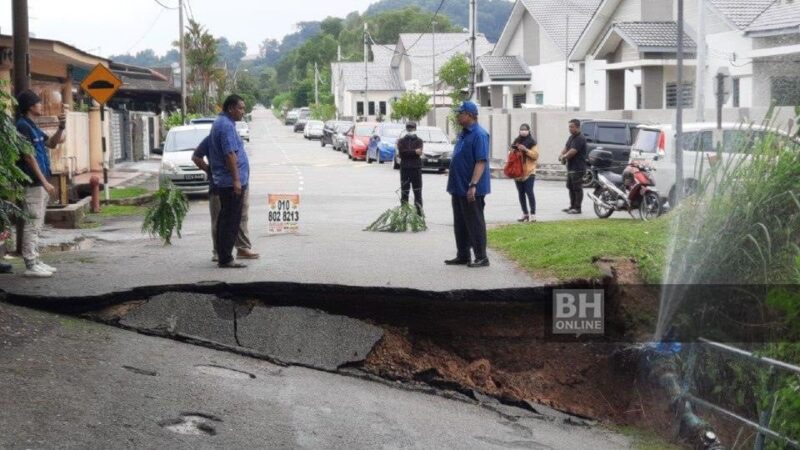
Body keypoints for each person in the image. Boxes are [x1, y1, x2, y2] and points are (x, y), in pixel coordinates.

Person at [15, 90, 66, 278]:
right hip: (33, 183)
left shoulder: (33, 126)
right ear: (30, 106)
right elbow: (28, 157)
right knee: (32, 223)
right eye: (38, 103)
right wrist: (44, 182)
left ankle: (35, 260)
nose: (41, 105)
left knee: (38, 223)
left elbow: (52, 144)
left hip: (40, 182)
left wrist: (61, 127)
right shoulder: (22, 126)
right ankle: (30, 264)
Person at [192, 136, 259, 263]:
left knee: (242, 216)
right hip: (220, 185)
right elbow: (196, 157)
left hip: (241, 184)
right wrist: (209, 170)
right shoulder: (211, 140)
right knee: (219, 219)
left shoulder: (235, 139)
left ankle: (242, 248)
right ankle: (218, 251)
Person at [445, 101, 491, 268]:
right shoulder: (463, 133)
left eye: (460, 113)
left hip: (471, 188)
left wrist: (473, 185)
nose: (457, 116)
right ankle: (463, 255)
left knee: (474, 222)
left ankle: (481, 257)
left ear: (470, 115)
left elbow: (481, 161)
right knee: (460, 222)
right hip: (458, 186)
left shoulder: (479, 134)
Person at [208, 94, 250, 269]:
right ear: (231, 108)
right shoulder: (225, 126)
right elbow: (230, 154)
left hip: (226, 181)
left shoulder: (223, 123)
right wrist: (236, 180)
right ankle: (225, 258)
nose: (243, 111)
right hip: (229, 182)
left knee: (227, 219)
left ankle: (223, 255)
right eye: (240, 108)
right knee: (230, 221)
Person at [510, 124, 539, 222]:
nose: (523, 131)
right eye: (521, 129)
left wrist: (525, 150)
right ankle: (525, 213)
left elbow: (535, 156)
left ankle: (533, 214)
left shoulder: (532, 142)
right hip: (518, 172)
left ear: (529, 131)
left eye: (525, 129)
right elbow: (510, 153)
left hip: (529, 171)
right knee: (521, 193)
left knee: (529, 192)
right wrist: (514, 150)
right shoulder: (516, 141)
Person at [559, 119, 588, 214]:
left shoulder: (580, 138)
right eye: (569, 126)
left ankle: (577, 208)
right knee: (570, 186)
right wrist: (561, 155)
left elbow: (572, 151)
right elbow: (566, 148)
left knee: (577, 188)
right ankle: (572, 206)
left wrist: (564, 157)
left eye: (572, 127)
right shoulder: (571, 137)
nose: (570, 128)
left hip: (578, 167)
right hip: (571, 167)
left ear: (578, 127)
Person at [396, 121, 424, 214]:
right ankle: (404, 215)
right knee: (404, 193)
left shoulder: (419, 141)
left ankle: (419, 216)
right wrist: (414, 152)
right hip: (405, 169)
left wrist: (408, 152)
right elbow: (402, 153)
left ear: (415, 129)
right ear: (406, 129)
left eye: (411, 128)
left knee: (418, 193)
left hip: (416, 169)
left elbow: (418, 152)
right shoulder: (401, 141)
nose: (410, 130)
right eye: (408, 128)